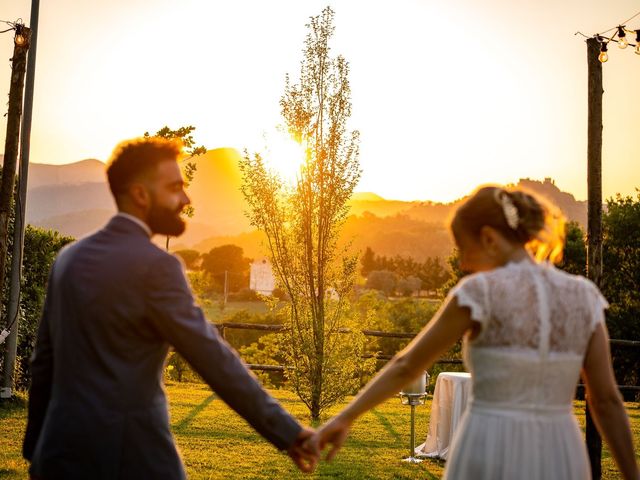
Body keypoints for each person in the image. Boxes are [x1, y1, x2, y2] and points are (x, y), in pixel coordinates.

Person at [22, 137, 317, 479]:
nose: (186, 199)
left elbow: (44, 363)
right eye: (175, 187)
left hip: (57, 459)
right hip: (134, 461)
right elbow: (214, 360)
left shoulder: (67, 260)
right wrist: (288, 433)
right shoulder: (157, 267)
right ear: (141, 194)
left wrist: (36, 449)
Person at [309, 186, 639, 480]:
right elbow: (607, 400)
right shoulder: (583, 296)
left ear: (489, 238)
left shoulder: (480, 292)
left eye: (463, 250)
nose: (464, 264)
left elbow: (407, 365)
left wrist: (345, 418)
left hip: (490, 444)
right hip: (560, 451)